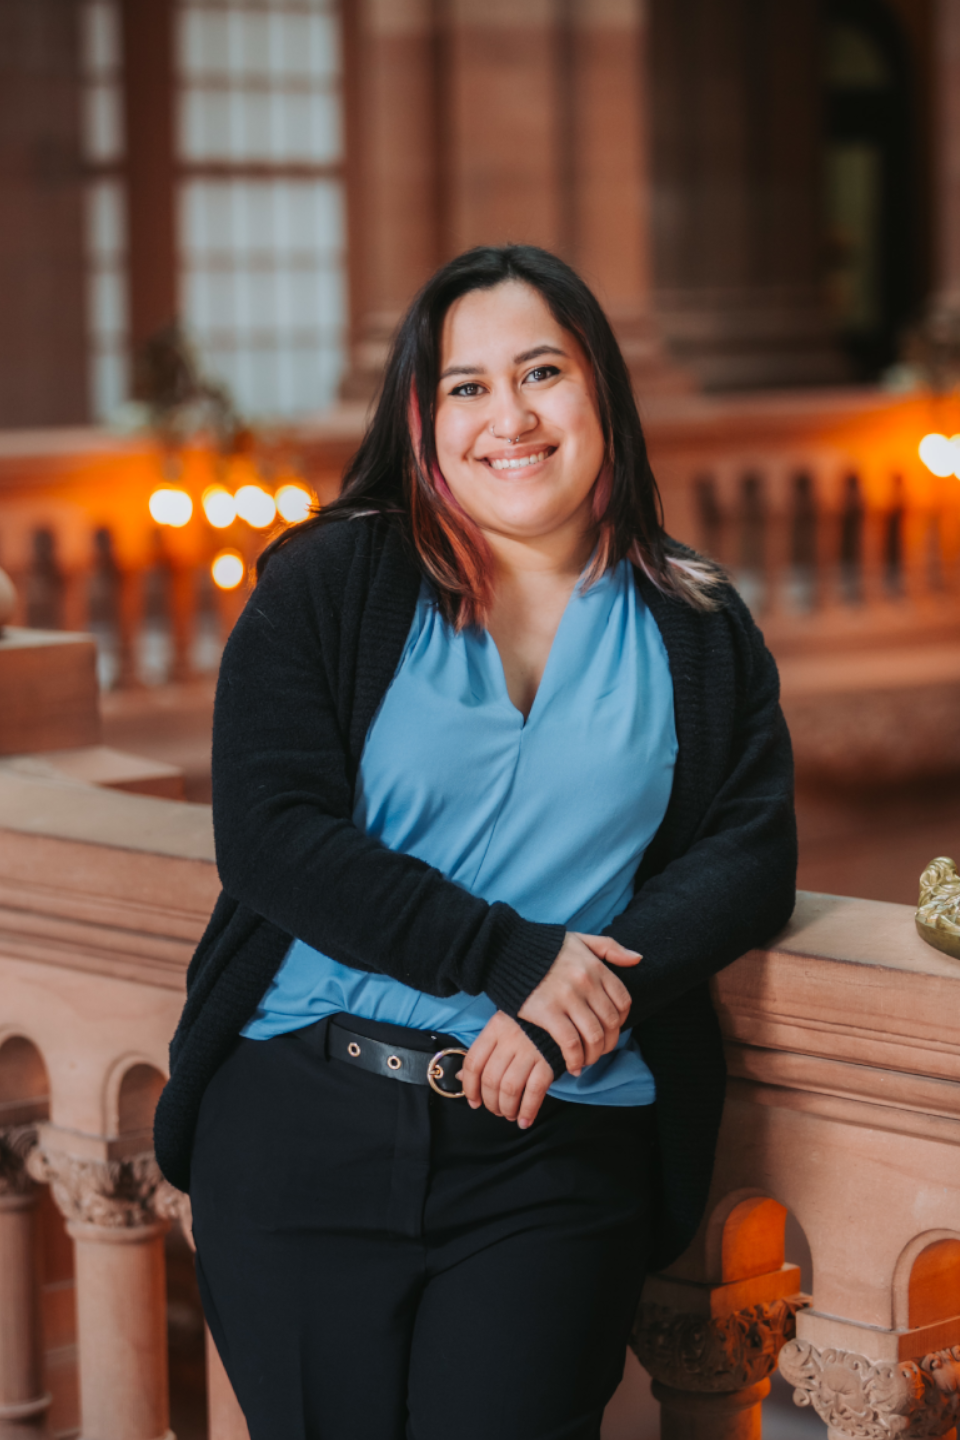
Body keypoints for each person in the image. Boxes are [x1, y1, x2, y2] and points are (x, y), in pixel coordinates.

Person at [154, 244, 796, 1440]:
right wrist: (507, 956)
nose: (510, 416)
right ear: (422, 417)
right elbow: (271, 837)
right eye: (466, 386)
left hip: (552, 1144)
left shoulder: (698, 622)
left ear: (601, 387)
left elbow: (751, 855)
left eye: (542, 372)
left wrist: (566, 1005)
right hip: (302, 1120)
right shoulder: (328, 582)